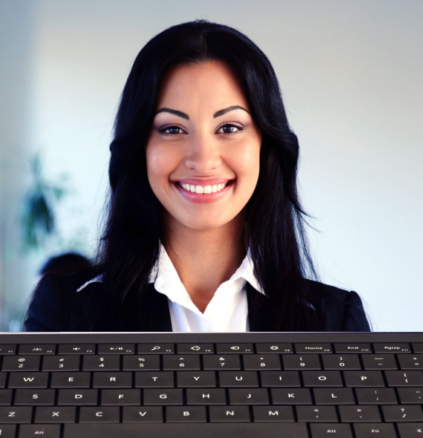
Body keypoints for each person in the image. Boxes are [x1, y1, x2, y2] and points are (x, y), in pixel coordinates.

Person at [24, 20, 368, 332]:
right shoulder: (65, 309)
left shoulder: (335, 318)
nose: (203, 159)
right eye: (173, 129)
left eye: (229, 127)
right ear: (140, 147)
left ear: (266, 145)